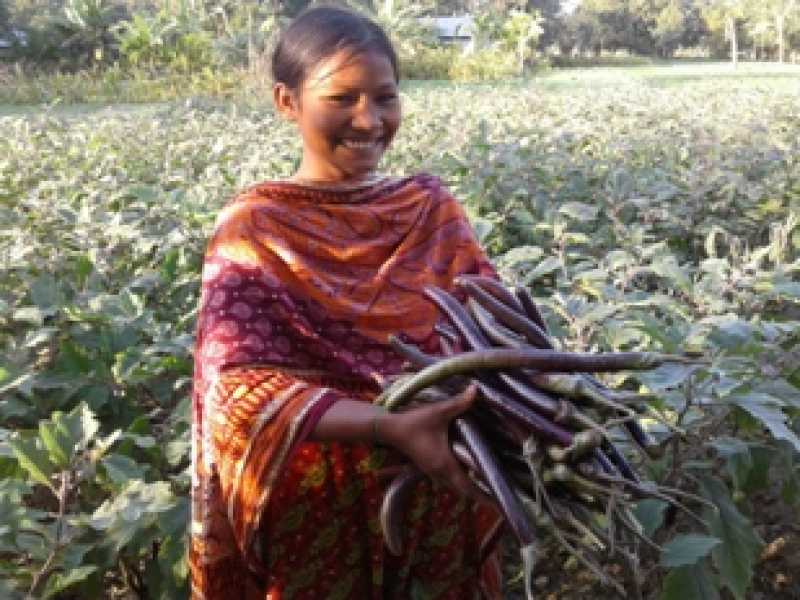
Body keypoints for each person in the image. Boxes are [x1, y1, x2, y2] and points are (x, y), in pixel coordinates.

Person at [189, 6, 504, 599]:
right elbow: (236, 392)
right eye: (342, 99)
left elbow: (493, 336)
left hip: (437, 492)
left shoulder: (430, 210)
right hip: (318, 510)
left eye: (385, 97)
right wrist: (390, 425)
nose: (369, 120)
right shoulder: (254, 229)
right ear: (287, 101)